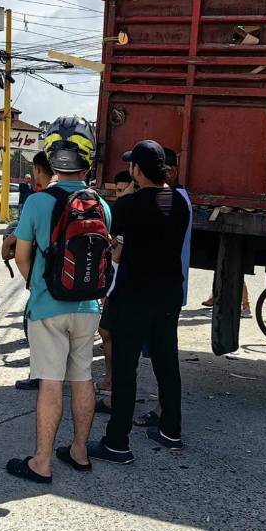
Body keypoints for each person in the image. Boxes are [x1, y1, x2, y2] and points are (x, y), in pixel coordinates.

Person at [7, 116, 109, 482]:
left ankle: (42, 463)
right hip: (89, 306)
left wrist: (37, 287)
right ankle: (80, 452)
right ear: (88, 158)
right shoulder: (101, 204)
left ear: (51, 156)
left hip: (49, 307)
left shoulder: (37, 203)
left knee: (51, 381)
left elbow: (21, 256)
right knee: (82, 377)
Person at [90, 139, 190, 464]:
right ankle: (171, 431)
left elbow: (113, 247)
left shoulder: (127, 206)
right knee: (166, 362)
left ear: (136, 169)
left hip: (133, 295)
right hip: (168, 294)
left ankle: (117, 443)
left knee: (125, 369)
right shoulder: (179, 202)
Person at [3, 151, 54, 393]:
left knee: (35, 328)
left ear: (38, 170)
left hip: (45, 282)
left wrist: (33, 283)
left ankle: (39, 375)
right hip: (80, 288)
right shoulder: (88, 199)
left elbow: (22, 253)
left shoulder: (38, 200)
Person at [95, 169, 136, 403]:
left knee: (110, 334)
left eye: (124, 190)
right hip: (115, 284)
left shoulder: (128, 211)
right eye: (117, 190)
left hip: (120, 285)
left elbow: (117, 257)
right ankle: (111, 381)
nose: (119, 195)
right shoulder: (121, 212)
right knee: (107, 333)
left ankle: (112, 385)